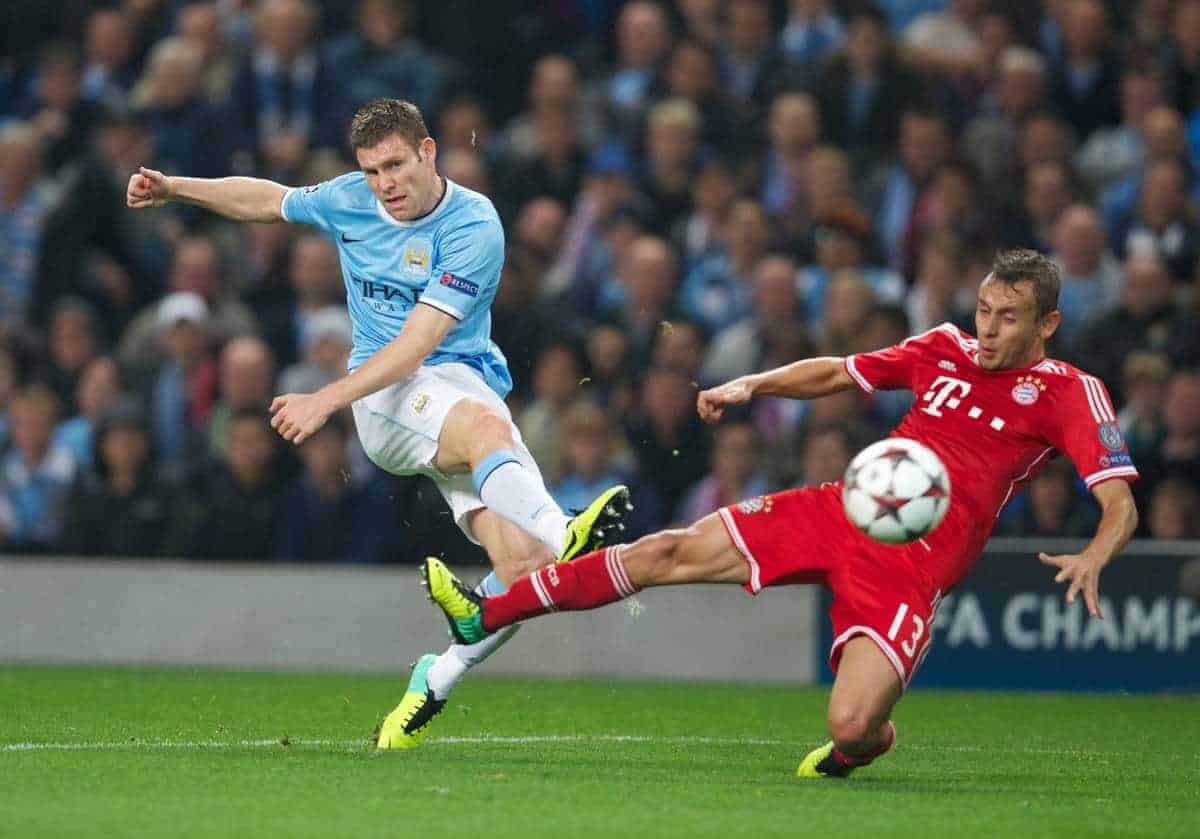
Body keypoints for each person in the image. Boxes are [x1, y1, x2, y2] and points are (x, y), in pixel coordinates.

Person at [422, 249, 1140, 779]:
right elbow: (838, 370)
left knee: (852, 724)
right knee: (667, 551)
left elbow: (1119, 502)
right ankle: (487, 612)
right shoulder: (945, 347)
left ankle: (869, 742)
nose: (987, 328)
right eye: (984, 309)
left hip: (911, 564)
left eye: (1008, 317)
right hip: (840, 507)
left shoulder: (1069, 392)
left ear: (1048, 322)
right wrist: (753, 383)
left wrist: (1096, 553)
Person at [126, 97, 630, 749]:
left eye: (394, 165)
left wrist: (321, 397)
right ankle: (566, 528)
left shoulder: (474, 225)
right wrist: (175, 188)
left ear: (428, 152)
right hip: (387, 403)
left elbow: (422, 343)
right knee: (490, 437)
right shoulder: (350, 200)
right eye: (371, 171)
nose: (384, 184)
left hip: (452, 389)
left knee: (526, 566)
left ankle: (435, 677)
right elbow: (269, 199)